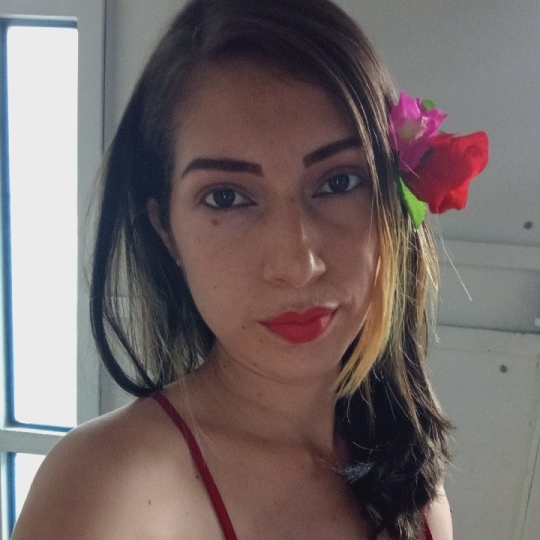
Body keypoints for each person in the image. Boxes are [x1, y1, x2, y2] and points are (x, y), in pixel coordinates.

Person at [13, 0, 489, 538]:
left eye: (338, 182)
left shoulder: (408, 465)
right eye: (226, 197)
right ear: (166, 229)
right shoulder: (106, 491)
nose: (297, 265)